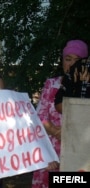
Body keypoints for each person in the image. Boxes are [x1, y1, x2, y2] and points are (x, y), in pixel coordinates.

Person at [31, 39, 88, 188]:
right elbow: (40, 117)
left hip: (81, 154)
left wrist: (69, 134)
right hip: (51, 154)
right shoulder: (52, 84)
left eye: (78, 60)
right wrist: (56, 132)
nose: (72, 64)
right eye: (68, 59)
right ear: (62, 61)